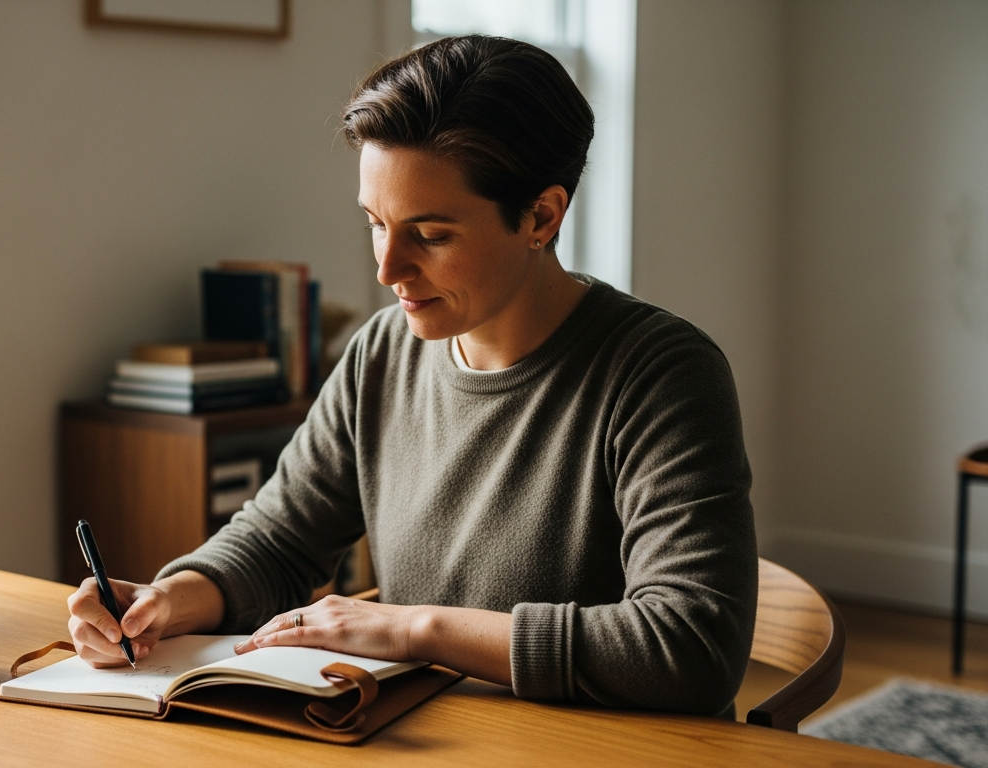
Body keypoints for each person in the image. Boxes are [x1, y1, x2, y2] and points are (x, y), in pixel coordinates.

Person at [67, 35, 758, 718]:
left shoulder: (661, 373)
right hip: (421, 737)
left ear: (541, 217)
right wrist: (170, 598)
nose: (387, 269)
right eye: (376, 223)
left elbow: (691, 645)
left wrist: (413, 630)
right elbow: (280, 541)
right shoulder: (382, 354)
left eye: (430, 235)